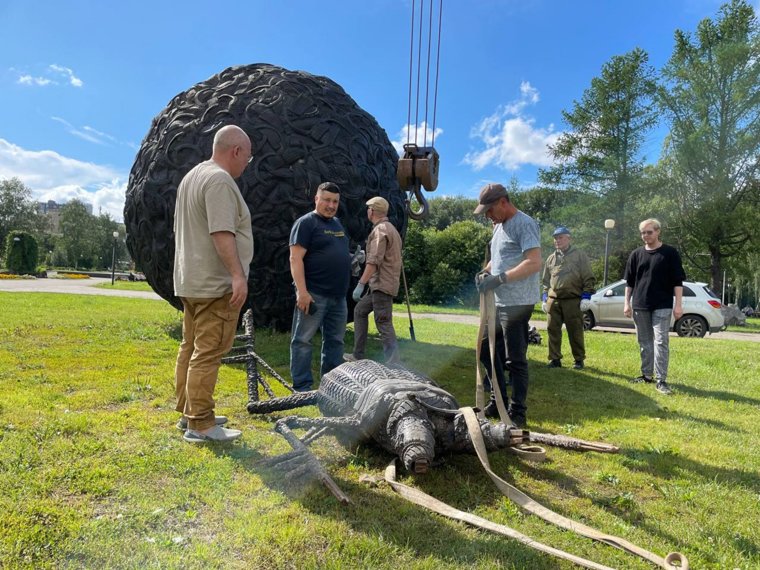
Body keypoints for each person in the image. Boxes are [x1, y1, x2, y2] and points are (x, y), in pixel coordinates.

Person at [173, 124, 254, 443]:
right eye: (248, 156)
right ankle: (201, 424)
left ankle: (189, 412)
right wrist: (237, 275)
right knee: (208, 352)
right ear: (236, 151)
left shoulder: (193, 176)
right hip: (214, 283)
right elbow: (222, 232)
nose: (248, 163)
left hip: (190, 281)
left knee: (190, 348)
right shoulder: (220, 180)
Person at [473, 183, 541, 426]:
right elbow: (497, 259)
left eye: (490, 210)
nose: (488, 216)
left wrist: (500, 279)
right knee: (486, 350)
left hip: (518, 302)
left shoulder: (525, 223)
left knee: (514, 359)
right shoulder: (499, 226)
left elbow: (533, 262)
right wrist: (485, 272)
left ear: (503, 202)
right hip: (499, 300)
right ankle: (497, 400)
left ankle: (517, 412)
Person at [289, 182, 351, 391]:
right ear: (316, 199)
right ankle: (302, 387)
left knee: (336, 342)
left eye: (335, 201)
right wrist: (302, 292)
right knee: (303, 341)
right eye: (326, 200)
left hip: (338, 297)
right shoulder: (306, 223)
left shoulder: (337, 224)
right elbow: (295, 259)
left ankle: (331, 386)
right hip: (314, 294)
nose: (331, 205)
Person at [623, 218, 685, 395]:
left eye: (649, 232)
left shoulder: (670, 253)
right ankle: (646, 375)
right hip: (640, 305)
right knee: (644, 342)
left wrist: (678, 305)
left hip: (662, 305)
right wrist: (626, 303)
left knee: (661, 341)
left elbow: (677, 282)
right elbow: (629, 282)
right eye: (643, 232)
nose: (645, 236)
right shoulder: (636, 254)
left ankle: (661, 380)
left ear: (658, 232)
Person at [344, 196, 403, 364]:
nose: (367, 212)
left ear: (372, 211)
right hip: (383, 284)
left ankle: (394, 364)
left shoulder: (380, 230)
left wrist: (361, 284)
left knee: (383, 323)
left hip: (382, 286)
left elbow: (374, 261)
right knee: (360, 311)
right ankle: (358, 355)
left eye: (368, 209)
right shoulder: (390, 229)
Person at [541, 226, 595, 370]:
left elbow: (588, 277)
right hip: (554, 300)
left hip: (573, 300)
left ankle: (578, 360)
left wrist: (586, 296)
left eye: (560, 237)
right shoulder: (551, 258)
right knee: (552, 330)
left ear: (569, 238)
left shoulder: (579, 255)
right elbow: (545, 281)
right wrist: (544, 298)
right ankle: (554, 359)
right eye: (555, 238)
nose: (557, 240)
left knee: (575, 331)